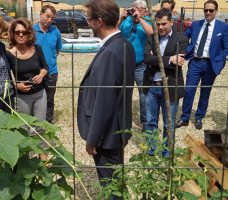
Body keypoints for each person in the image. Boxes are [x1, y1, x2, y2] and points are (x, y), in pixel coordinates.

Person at [77, 0, 135, 186]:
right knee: (114, 182)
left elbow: (104, 101)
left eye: (89, 20)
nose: (88, 23)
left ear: (99, 21)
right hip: (116, 129)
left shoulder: (111, 51)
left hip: (107, 135)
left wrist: (93, 139)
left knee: (111, 186)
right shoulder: (124, 44)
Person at [176, 0, 228, 130]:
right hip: (195, 63)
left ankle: (199, 117)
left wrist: (220, 62)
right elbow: (182, 38)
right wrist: (186, 51)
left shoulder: (223, 27)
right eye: (206, 10)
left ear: (216, 11)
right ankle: (185, 117)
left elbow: (226, 47)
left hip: (210, 65)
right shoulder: (195, 25)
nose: (208, 13)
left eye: (211, 10)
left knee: (205, 93)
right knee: (188, 91)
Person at [143, 8, 188, 157]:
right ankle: (151, 149)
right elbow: (146, 59)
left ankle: (166, 151)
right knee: (150, 121)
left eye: (164, 24)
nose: (161, 27)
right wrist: (170, 59)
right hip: (152, 86)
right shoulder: (151, 38)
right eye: (158, 24)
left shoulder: (181, 39)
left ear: (171, 23)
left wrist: (155, 60)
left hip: (171, 86)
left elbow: (179, 62)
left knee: (169, 124)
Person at [7, 18, 49, 162]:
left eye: (23, 32)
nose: (20, 35)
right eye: (17, 32)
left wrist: (41, 75)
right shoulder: (9, 54)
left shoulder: (37, 49)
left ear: (29, 33)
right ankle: (25, 155)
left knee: (40, 125)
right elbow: (6, 76)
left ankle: (42, 153)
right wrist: (16, 85)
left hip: (39, 94)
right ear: (12, 34)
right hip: (21, 97)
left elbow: (45, 67)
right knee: (23, 127)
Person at [118, 0, 153, 130]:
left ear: (144, 11)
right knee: (124, 93)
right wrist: (122, 18)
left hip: (141, 65)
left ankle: (145, 122)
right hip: (125, 65)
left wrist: (140, 19)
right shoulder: (126, 21)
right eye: (134, 9)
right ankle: (123, 121)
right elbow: (113, 31)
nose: (136, 11)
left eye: (139, 9)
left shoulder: (147, 20)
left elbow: (152, 32)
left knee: (144, 95)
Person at [33, 5, 62, 124]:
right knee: (35, 98)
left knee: (49, 100)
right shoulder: (31, 30)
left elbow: (57, 50)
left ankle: (48, 125)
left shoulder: (56, 32)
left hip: (51, 72)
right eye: (47, 16)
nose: (49, 20)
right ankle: (35, 123)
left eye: (52, 18)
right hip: (35, 72)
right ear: (41, 14)